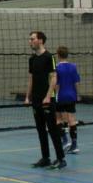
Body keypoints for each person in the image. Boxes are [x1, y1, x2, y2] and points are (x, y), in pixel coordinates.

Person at [25, 32, 66, 170]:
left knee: (53, 129)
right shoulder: (32, 59)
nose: (30, 41)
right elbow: (31, 78)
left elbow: (54, 77)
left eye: (32, 39)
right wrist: (27, 96)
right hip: (36, 99)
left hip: (47, 99)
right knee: (40, 130)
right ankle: (45, 158)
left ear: (40, 40)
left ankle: (61, 159)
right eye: (30, 39)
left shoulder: (50, 57)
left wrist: (48, 96)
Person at [55, 46, 81, 153]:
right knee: (72, 119)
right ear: (67, 54)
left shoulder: (56, 67)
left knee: (58, 119)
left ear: (58, 55)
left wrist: (55, 96)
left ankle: (65, 141)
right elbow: (76, 82)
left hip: (61, 96)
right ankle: (74, 145)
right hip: (71, 96)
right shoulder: (73, 66)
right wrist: (78, 95)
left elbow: (57, 84)